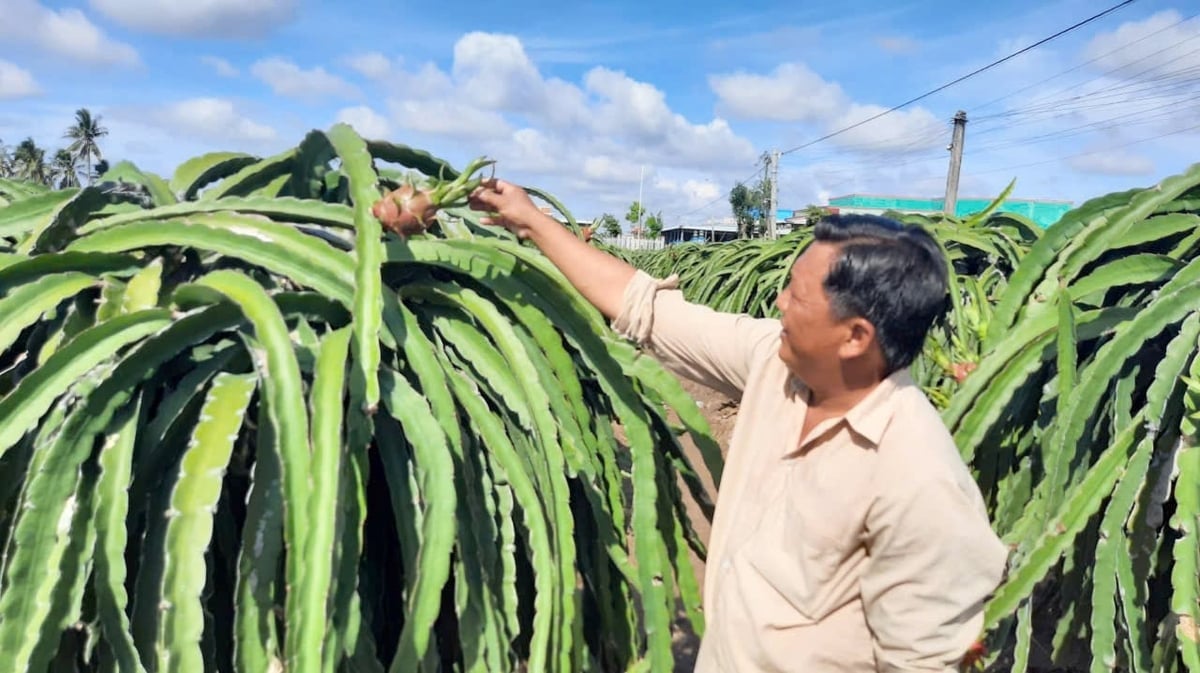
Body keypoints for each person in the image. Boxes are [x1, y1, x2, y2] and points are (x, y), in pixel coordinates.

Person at [469, 179, 1010, 672]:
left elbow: (924, 664)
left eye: (797, 296)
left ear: (855, 337)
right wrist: (530, 221)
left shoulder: (920, 482)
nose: (778, 302)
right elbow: (645, 308)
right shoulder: (773, 365)